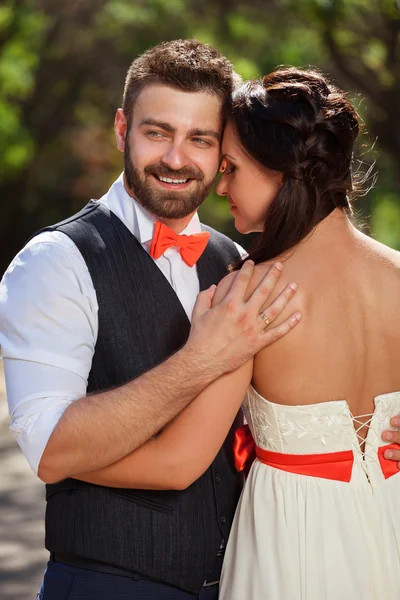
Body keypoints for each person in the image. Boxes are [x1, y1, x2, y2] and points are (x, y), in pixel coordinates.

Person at [0, 41, 302, 600]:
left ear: (222, 152)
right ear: (122, 129)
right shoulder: (54, 261)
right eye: (156, 132)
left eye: (200, 139)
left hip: (240, 578)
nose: (175, 158)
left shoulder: (235, 262)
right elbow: (50, 450)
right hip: (104, 584)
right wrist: (200, 359)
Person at [89, 67, 400, 599]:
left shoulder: (249, 295)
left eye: (231, 167)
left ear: (282, 171)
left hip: (295, 543)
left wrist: (67, 459)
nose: (221, 186)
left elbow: (178, 463)